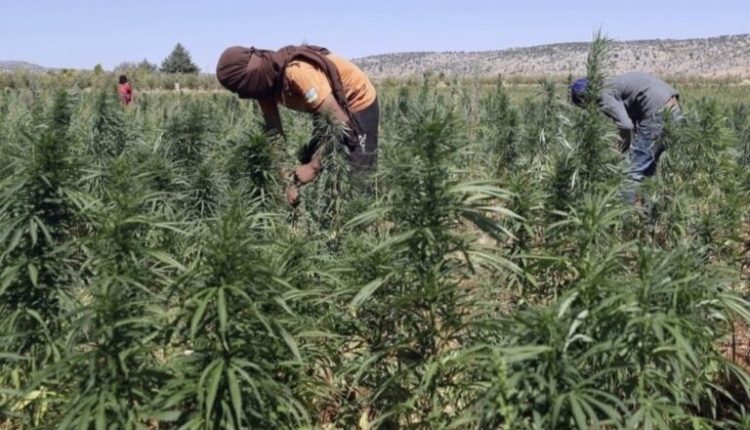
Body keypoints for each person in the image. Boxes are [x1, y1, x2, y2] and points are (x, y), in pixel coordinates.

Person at [216, 44, 379, 205]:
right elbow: (274, 133)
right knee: (316, 160)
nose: (245, 95)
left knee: (358, 173)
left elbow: (340, 121)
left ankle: (361, 213)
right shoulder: (263, 85)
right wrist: (286, 178)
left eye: (244, 89)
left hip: (356, 102)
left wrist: (313, 167)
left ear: (251, 77)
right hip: (327, 106)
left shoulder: (298, 73)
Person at [570, 72, 683, 204]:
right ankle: (650, 212)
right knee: (648, 170)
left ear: (586, 99)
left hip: (657, 114)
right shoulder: (611, 84)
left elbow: (625, 125)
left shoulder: (602, 95)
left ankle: (625, 213)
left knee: (630, 172)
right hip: (673, 109)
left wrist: (622, 147)